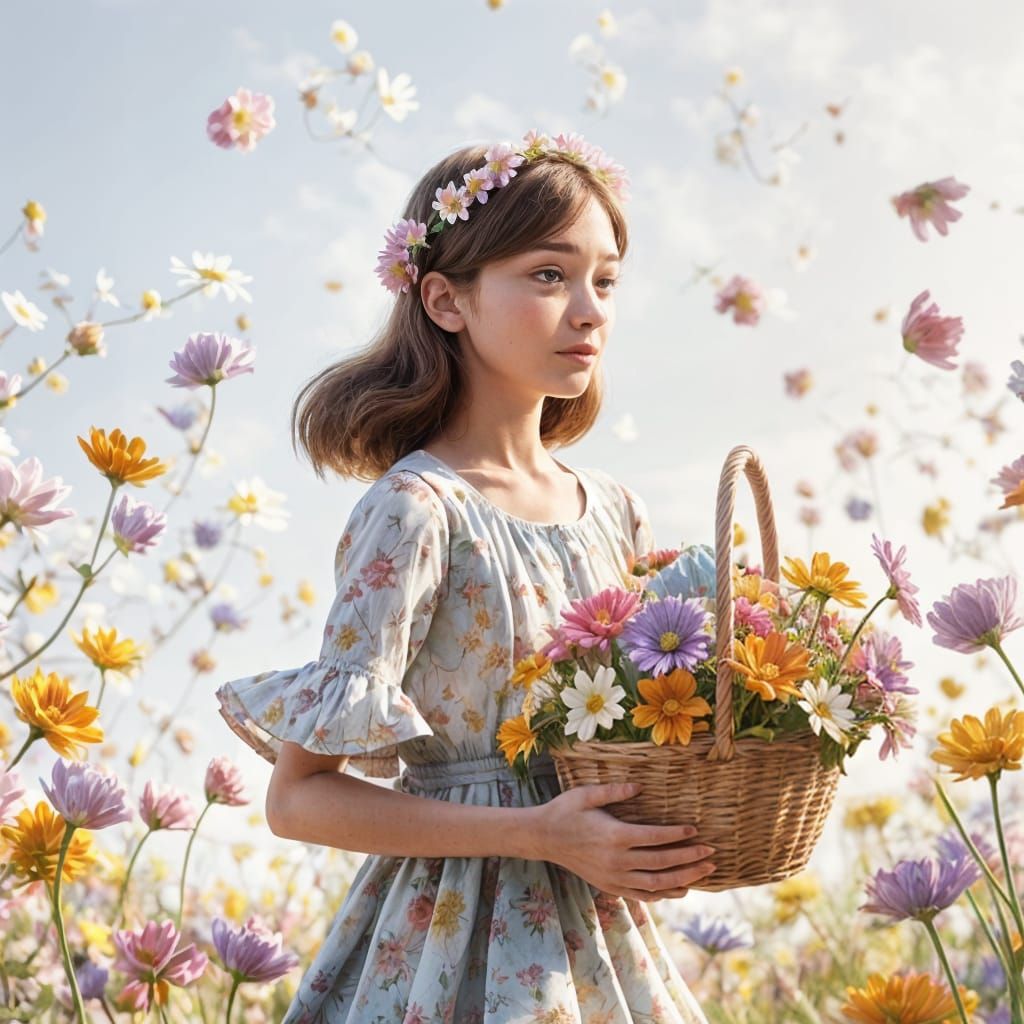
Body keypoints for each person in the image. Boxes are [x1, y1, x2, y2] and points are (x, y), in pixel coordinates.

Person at [215, 129, 716, 1024]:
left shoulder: (614, 509)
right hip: (449, 942)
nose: (591, 310)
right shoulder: (416, 509)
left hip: (598, 936)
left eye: (606, 280)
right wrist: (536, 832)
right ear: (446, 299)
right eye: (551, 275)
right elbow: (298, 799)